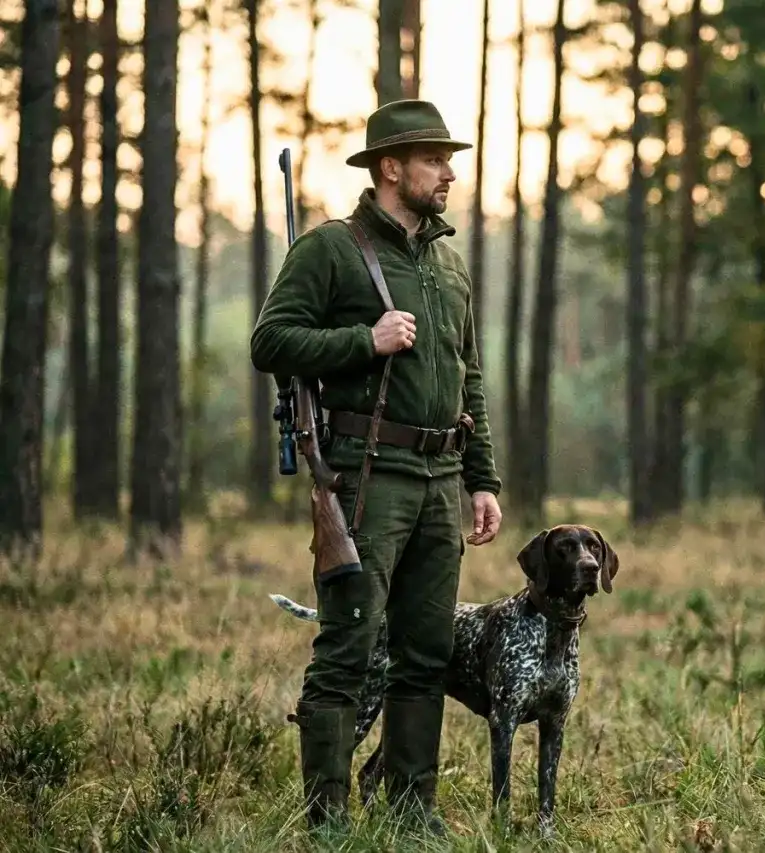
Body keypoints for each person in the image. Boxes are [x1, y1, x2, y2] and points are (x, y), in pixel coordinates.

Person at [250, 99, 503, 835]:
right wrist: (365, 339)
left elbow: (470, 378)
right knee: (349, 652)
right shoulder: (332, 249)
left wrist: (482, 479)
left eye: (447, 161)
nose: (449, 173)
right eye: (434, 160)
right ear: (391, 168)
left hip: (440, 481)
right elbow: (271, 341)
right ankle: (328, 825)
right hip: (366, 479)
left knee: (426, 655)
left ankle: (411, 817)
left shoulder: (449, 263)